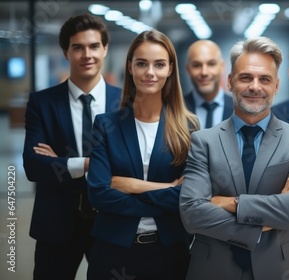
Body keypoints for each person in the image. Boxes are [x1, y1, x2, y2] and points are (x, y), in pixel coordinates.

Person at [179, 36, 289, 280]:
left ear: (276, 85)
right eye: (246, 77)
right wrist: (267, 217)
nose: (255, 86)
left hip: (283, 268)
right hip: (214, 268)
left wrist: (233, 203)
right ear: (230, 82)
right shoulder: (203, 141)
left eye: (265, 79)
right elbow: (192, 213)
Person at [86, 29, 198, 280]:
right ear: (129, 67)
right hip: (113, 252)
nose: (150, 72)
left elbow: (188, 196)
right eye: (141, 64)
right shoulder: (106, 125)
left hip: (169, 252)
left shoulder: (189, 127)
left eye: (159, 64)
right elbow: (99, 194)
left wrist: (132, 186)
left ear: (170, 69)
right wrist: (167, 187)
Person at [22, 13, 121, 279]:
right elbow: (33, 166)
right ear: (66, 52)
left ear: (105, 49)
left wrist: (62, 162)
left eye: (93, 46)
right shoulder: (42, 103)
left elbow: (134, 166)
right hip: (56, 223)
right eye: (78, 47)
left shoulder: (125, 103)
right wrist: (94, 164)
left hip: (111, 221)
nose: (86, 54)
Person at [184, 39, 233, 128]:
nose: (204, 72)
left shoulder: (238, 110)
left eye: (211, 64)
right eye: (197, 65)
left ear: (222, 66)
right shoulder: (174, 109)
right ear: (187, 69)